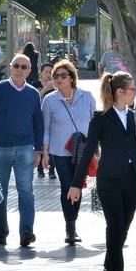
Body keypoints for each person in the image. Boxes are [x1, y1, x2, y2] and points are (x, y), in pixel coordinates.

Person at [68, 71, 136, 271]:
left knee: (124, 228)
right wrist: (76, 184)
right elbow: (88, 151)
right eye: (132, 90)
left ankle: (109, 266)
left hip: (132, 180)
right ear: (120, 92)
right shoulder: (100, 119)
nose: (135, 93)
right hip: (109, 181)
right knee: (115, 226)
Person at [0, 53, 44, 248]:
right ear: (10, 68)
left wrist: (39, 150)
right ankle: (0, 234)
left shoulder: (33, 94)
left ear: (29, 71)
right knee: (0, 192)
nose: (20, 70)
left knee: (26, 191)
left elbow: (38, 123)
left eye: (24, 67)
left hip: (25, 149)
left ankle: (26, 233)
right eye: (16, 66)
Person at [41, 59, 96, 245]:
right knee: (67, 185)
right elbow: (46, 128)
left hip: (82, 149)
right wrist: (45, 152)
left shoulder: (87, 96)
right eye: (55, 76)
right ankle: (70, 228)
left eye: (63, 75)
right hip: (60, 151)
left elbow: (94, 124)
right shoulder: (49, 100)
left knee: (77, 186)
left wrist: (96, 148)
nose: (58, 79)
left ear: (72, 78)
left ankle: (73, 223)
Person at [32, 63, 56, 179]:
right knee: (40, 144)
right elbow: (34, 101)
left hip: (52, 120)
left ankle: (52, 170)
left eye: (51, 72)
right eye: (46, 72)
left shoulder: (56, 86)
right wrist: (46, 88)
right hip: (38, 120)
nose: (48, 75)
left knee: (52, 145)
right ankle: (40, 169)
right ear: (40, 73)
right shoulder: (34, 85)